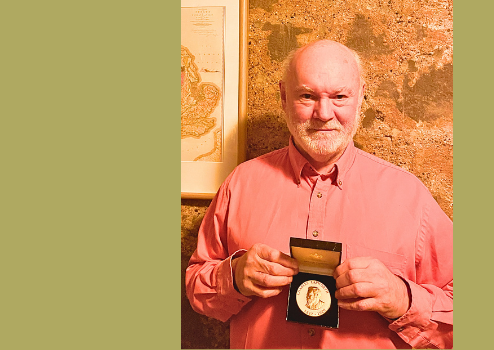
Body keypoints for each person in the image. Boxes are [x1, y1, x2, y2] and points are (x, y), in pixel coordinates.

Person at [185, 39, 453, 349]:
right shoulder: (240, 184)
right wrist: (234, 277)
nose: (324, 113)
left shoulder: (409, 196)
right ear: (284, 97)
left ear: (360, 96)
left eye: (339, 96)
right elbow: (196, 287)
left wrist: (401, 297)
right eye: (307, 96)